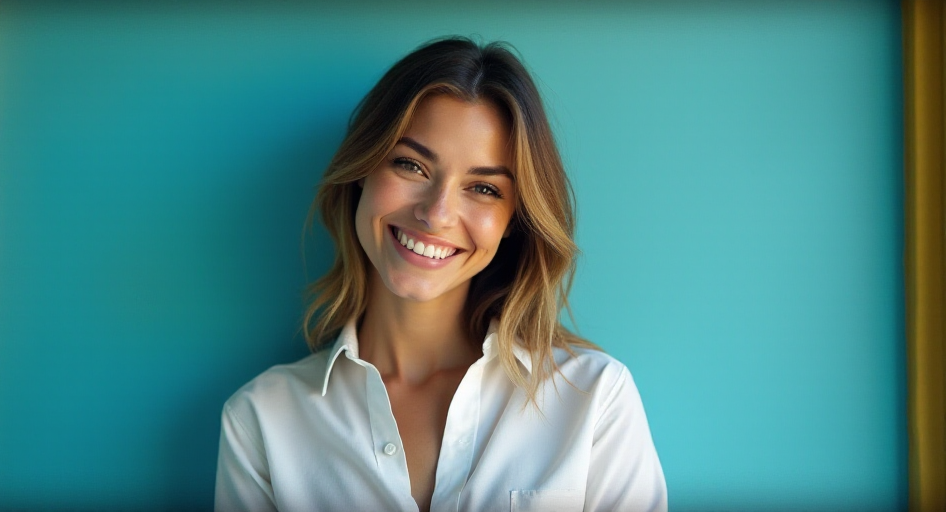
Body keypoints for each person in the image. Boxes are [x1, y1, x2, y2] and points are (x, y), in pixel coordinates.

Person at [214, 37, 667, 512]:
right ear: (361, 172)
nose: (437, 214)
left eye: (484, 188)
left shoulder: (593, 401)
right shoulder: (260, 421)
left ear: (514, 219)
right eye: (410, 164)